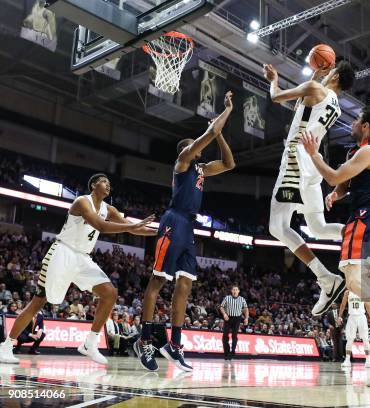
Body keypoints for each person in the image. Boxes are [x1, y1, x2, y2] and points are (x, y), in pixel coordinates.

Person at [302, 106, 370, 387]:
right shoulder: (360, 152)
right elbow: (345, 183)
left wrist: (314, 154)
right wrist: (336, 195)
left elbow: (334, 177)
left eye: (356, 119)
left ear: (365, 126)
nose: (352, 123)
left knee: (353, 279)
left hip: (367, 218)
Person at [0, 174, 155, 365]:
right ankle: (6, 346)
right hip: (62, 252)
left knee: (110, 293)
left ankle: (90, 343)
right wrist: (132, 226)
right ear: (93, 185)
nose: (108, 185)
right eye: (104, 182)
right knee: (38, 302)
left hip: (82, 257)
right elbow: (101, 226)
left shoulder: (109, 209)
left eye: (109, 184)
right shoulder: (82, 201)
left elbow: (133, 229)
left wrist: (160, 232)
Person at [134, 91, 236, 372]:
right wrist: (227, 110)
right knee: (157, 283)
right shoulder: (182, 161)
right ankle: (144, 341)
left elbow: (229, 164)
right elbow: (211, 131)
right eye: (195, 145)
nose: (199, 148)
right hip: (173, 220)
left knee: (185, 285)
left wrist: (220, 136)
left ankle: (174, 344)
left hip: (189, 226)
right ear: (187, 149)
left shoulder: (201, 169)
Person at [263, 61, 355, 316]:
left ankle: (327, 278)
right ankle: (361, 235)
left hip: (295, 160)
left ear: (334, 76)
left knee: (277, 227)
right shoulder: (333, 103)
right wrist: (316, 74)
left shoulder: (315, 88)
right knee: (318, 228)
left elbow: (276, 96)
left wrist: (274, 78)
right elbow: (300, 111)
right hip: (314, 163)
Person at [338, 290, 370, 368]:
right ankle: (347, 360)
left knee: (365, 339)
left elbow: (367, 305)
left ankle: (368, 361)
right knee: (350, 339)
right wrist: (339, 316)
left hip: (362, 316)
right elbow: (343, 304)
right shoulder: (347, 292)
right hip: (352, 316)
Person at [220, 285, 248, 360]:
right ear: (231, 291)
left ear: (238, 291)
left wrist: (246, 318)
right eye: (233, 290)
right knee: (225, 336)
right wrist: (224, 314)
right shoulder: (227, 298)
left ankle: (232, 352)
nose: (235, 291)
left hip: (237, 319)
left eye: (236, 290)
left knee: (234, 336)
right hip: (228, 318)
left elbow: (245, 309)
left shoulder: (242, 299)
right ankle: (226, 352)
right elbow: (221, 307)